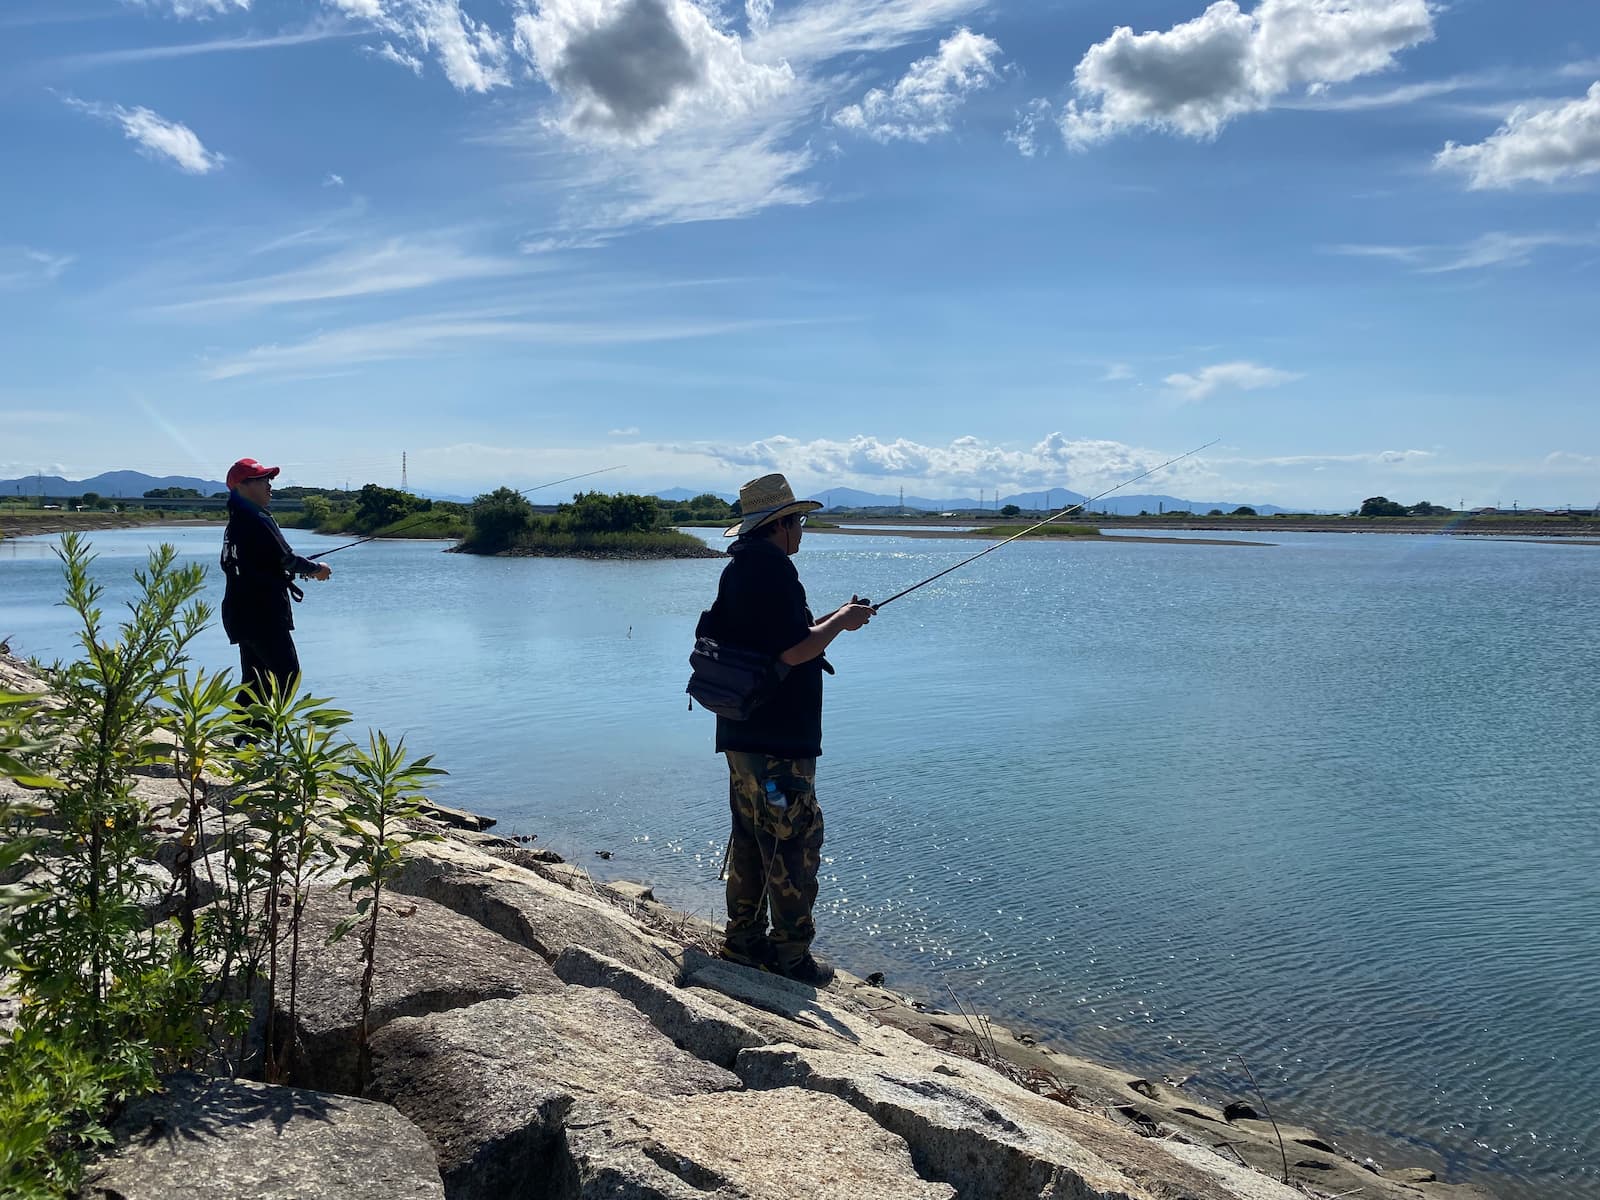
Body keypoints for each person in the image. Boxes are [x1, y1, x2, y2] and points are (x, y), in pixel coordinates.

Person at [703, 473, 875, 986]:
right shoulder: (774, 572)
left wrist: (832, 619)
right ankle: (790, 957)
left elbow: (782, 638)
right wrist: (843, 622)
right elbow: (794, 650)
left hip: (741, 734)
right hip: (779, 741)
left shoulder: (740, 570)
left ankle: (743, 943)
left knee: (752, 840)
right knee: (793, 843)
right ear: (778, 524)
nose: (801, 530)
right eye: (797, 521)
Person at [220, 458, 332, 713]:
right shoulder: (257, 518)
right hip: (264, 613)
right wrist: (317, 570)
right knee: (287, 675)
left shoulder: (236, 522)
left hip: (240, 612)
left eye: (268, 480)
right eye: (262, 480)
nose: (269, 486)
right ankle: (258, 734)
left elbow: (254, 564)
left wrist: (283, 571)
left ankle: (243, 741)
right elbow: (287, 559)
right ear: (242, 486)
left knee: (254, 682)